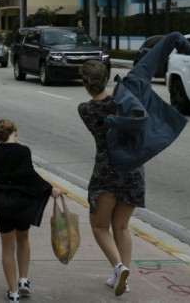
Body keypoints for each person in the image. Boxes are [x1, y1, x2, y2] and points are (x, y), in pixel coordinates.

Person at [0, 119, 60, 302]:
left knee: (7, 247)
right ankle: (23, 280)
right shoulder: (23, 151)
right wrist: (50, 189)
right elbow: (30, 176)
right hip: (22, 205)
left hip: (2, 206)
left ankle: (13, 292)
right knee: (23, 238)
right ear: (15, 132)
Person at [77, 60, 141, 297]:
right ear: (106, 80)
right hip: (133, 170)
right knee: (122, 227)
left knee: (99, 226)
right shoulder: (124, 104)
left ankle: (119, 268)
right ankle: (122, 276)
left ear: (85, 84)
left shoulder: (85, 109)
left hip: (106, 171)